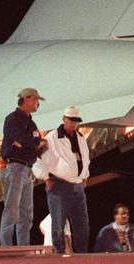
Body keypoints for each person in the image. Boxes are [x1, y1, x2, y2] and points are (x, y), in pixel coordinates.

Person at [33, 105, 91, 254]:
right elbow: (37, 159)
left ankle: (82, 255)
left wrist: (84, 176)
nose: (74, 124)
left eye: (77, 121)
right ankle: (59, 253)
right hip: (59, 184)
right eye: (71, 121)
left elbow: (85, 158)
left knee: (82, 225)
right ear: (64, 119)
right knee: (58, 224)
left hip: (77, 185)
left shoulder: (80, 137)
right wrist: (45, 177)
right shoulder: (51, 138)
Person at [0, 87, 46, 246]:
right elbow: (26, 140)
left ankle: (23, 249)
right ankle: (6, 250)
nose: (37, 103)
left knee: (26, 215)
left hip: (27, 170)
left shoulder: (31, 122)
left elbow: (30, 143)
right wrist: (34, 142)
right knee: (11, 212)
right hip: (15, 168)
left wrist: (31, 143)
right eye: (35, 99)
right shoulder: (12, 119)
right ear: (26, 98)